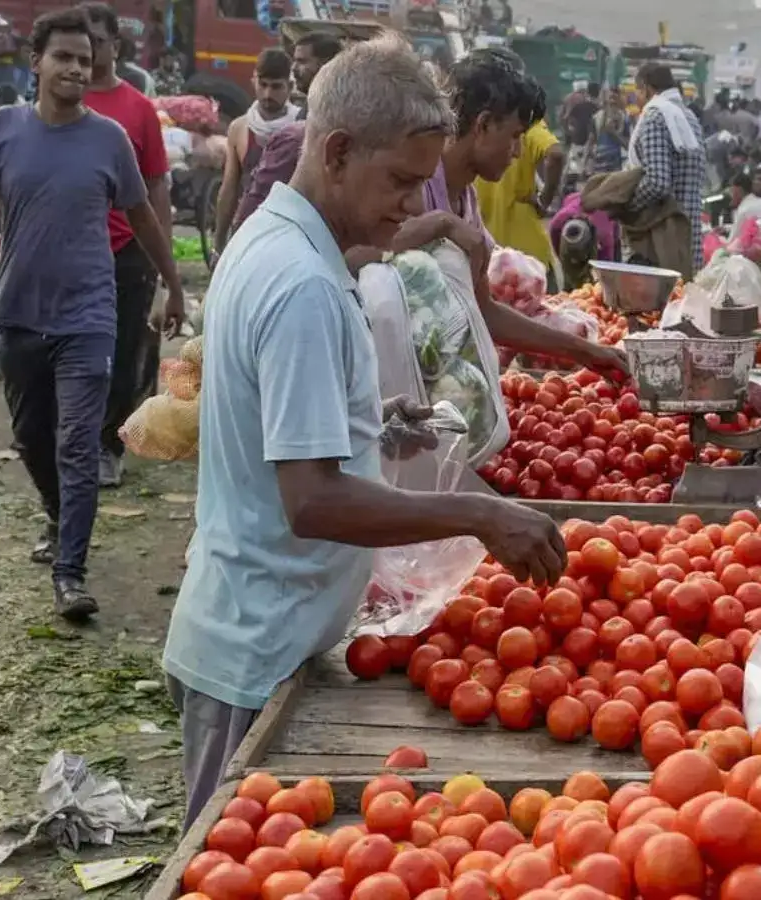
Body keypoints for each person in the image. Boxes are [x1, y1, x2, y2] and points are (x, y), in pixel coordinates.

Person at [162, 35, 567, 830]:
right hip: (252, 653)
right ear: (339, 151)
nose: (417, 208)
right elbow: (310, 501)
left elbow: (276, 430)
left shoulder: (279, 241)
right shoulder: (305, 283)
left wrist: (366, 428)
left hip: (263, 631)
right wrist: (480, 514)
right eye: (402, 182)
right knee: (227, 860)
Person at [0, 7, 185, 620]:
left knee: (78, 446)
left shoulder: (109, 139)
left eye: (83, 58)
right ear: (35, 63)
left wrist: (172, 284)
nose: (75, 67)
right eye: (62, 57)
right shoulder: (2, 129)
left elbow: (145, 216)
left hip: (88, 315)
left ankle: (70, 572)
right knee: (30, 438)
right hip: (17, 311)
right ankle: (55, 512)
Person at [416, 49, 628, 375]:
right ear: (483, 124)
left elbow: (485, 309)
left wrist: (585, 352)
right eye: (514, 136)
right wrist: (441, 224)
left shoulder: (466, 198)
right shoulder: (417, 186)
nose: (517, 151)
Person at [80, 2, 183, 489]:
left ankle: (107, 445)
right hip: (72, 254)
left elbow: (157, 187)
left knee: (124, 355)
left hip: (127, 252)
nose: (86, 50)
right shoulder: (64, 104)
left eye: (95, 41)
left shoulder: (137, 109)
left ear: (114, 47)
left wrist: (164, 264)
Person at [230, 36, 343, 231]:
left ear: (324, 65)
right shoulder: (311, 110)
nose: (294, 70)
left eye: (302, 61)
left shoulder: (330, 114)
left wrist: (242, 228)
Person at [213, 48, 296, 253]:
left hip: (289, 235)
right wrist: (219, 245)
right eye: (263, 85)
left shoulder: (302, 126)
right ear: (254, 82)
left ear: (290, 87)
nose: (268, 94)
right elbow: (229, 189)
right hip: (247, 232)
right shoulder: (239, 128)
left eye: (276, 87)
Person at [630, 62, 706, 271]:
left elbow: (657, 183)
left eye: (636, 90)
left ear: (646, 88)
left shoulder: (656, 117)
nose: (636, 97)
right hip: (689, 238)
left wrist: (627, 204)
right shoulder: (689, 117)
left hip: (663, 242)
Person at [476, 110, 565, 280]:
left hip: (488, 255)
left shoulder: (478, 129)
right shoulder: (527, 124)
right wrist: (544, 200)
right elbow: (556, 154)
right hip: (528, 255)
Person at [290, 32, 341, 114]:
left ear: (325, 64)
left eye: (302, 61)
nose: (294, 68)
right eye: (295, 61)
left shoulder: (338, 109)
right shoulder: (312, 105)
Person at [728, 169, 761, 236]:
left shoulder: (743, 210)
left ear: (739, 190)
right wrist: (726, 228)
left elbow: (732, 239)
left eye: (731, 190)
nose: (730, 194)